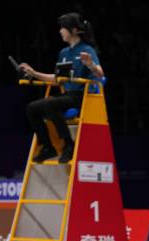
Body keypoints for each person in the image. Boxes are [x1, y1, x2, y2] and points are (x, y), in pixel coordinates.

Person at [19, 12, 104, 164]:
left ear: (74, 30)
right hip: (67, 96)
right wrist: (34, 73)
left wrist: (90, 64)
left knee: (50, 103)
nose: (60, 31)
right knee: (31, 108)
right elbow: (57, 80)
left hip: (80, 95)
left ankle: (68, 145)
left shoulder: (87, 50)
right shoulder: (63, 53)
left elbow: (100, 74)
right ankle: (47, 147)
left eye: (63, 28)